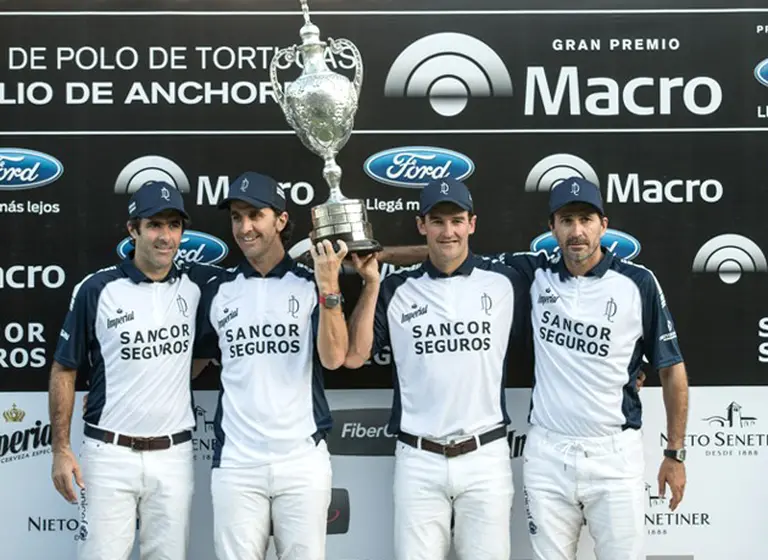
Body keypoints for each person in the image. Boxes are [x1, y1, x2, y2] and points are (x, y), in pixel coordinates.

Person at [495, 177, 689, 560]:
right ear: (552, 227)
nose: (577, 231)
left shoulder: (637, 283)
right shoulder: (535, 274)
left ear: (603, 224)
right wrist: (380, 254)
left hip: (614, 455)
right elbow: (453, 255)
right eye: (566, 220)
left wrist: (675, 454)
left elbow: (672, 371)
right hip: (548, 453)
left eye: (586, 219)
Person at [344, 177, 531, 560]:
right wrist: (372, 281)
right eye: (438, 222)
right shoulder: (396, 288)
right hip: (419, 458)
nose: (448, 232)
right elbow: (355, 356)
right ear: (421, 224)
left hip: (485, 456)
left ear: (472, 224)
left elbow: (571, 293)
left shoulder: (505, 280)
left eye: (457, 221)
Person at [193, 171, 366, 560]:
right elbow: (190, 364)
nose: (245, 228)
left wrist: (329, 287)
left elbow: (334, 358)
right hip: (237, 464)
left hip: (300, 461)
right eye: (237, 217)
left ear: (281, 220)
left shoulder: (309, 284)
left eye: (256, 215)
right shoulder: (218, 290)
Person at [49, 180, 217, 560]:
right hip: (108, 455)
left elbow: (201, 352)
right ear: (133, 229)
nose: (166, 236)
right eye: (154, 225)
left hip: (173, 456)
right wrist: (61, 449)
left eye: (174, 225)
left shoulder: (196, 287)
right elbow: (64, 369)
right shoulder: (98, 289)